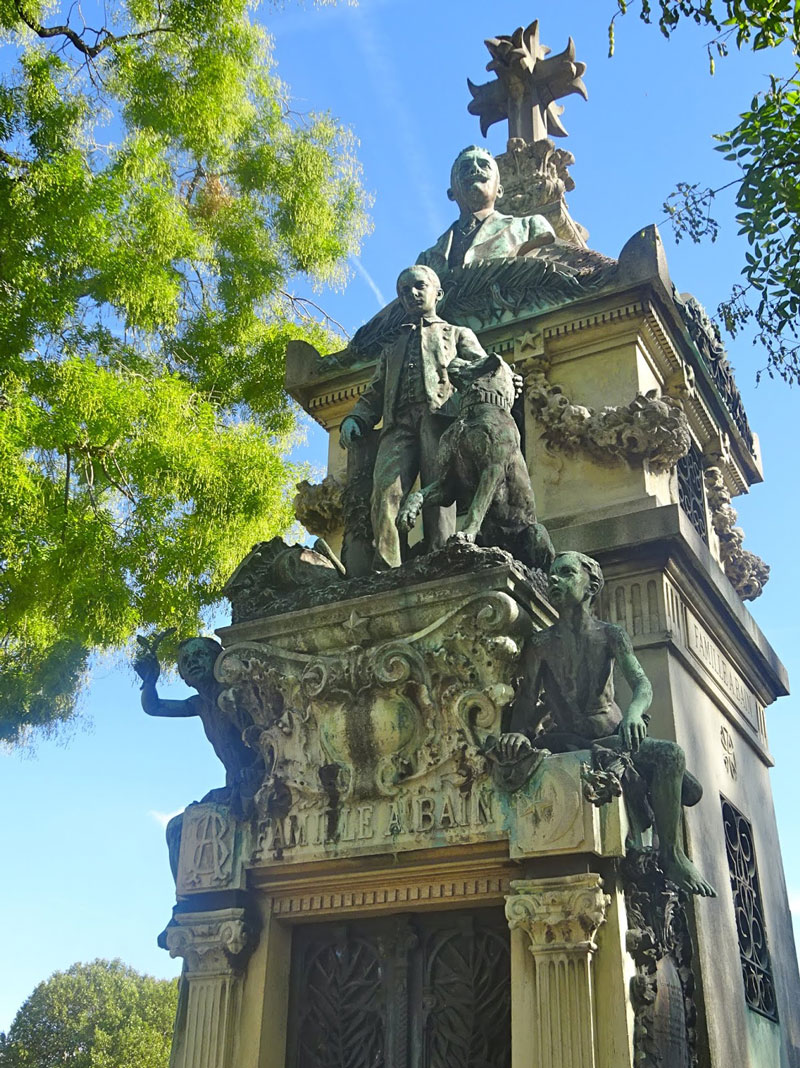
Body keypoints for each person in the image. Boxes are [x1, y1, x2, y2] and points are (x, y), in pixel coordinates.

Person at [499, 551, 716, 897]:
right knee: (672, 767)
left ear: (591, 586)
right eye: (553, 575)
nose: (555, 580)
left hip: (614, 736)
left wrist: (633, 714)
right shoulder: (539, 645)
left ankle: (672, 855)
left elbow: (642, 684)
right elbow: (525, 704)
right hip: (568, 739)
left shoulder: (610, 635)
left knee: (672, 758)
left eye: (566, 573)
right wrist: (516, 733)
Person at [339, 264, 489, 570]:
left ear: (438, 293)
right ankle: (387, 568)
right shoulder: (391, 348)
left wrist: (504, 376)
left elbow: (483, 369)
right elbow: (374, 393)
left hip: (440, 420)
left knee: (438, 495)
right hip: (398, 426)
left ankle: (442, 560)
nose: (412, 294)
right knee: (385, 493)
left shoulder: (457, 334)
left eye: (419, 286)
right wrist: (355, 417)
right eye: (404, 291)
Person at [417, 145, 555, 276]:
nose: (474, 169)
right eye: (465, 167)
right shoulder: (427, 260)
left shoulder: (531, 227)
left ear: (500, 190)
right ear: (451, 193)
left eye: (484, 165)